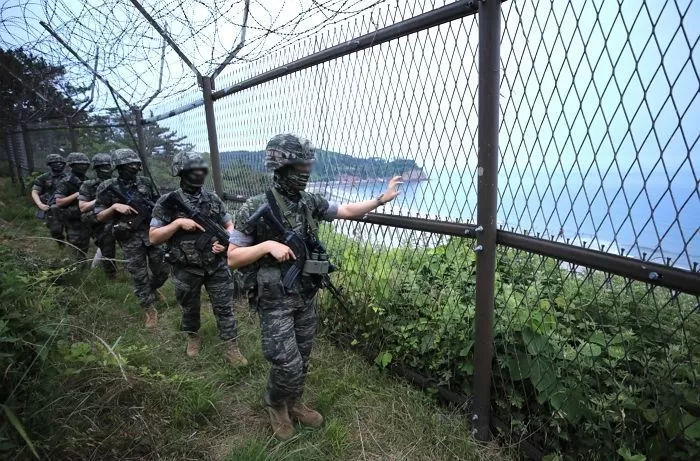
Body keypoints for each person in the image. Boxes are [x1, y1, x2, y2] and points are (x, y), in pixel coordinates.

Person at [227, 134, 402, 439]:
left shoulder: (309, 202)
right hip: (274, 299)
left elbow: (345, 210)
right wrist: (267, 245)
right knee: (286, 361)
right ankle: (275, 404)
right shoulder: (255, 206)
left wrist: (379, 199)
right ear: (281, 167)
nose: (306, 170)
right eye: (300, 165)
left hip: (304, 295)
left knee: (303, 357)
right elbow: (233, 257)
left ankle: (294, 402)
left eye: (308, 164)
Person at [149, 152, 248, 366]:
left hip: (215, 264)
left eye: (202, 170)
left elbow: (229, 224)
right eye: (194, 170)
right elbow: (154, 236)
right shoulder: (168, 202)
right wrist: (176, 224)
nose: (199, 174)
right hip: (186, 266)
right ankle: (193, 336)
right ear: (182, 173)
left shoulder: (212, 199)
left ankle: (231, 345)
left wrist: (227, 240)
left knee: (224, 307)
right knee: (189, 307)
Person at [94, 148, 169, 329]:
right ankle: (149, 309)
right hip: (129, 236)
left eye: (136, 164)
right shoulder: (107, 187)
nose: (135, 167)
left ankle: (151, 289)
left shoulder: (145, 183)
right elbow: (98, 216)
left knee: (162, 271)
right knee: (138, 274)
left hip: (151, 232)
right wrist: (114, 208)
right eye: (130, 164)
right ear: (119, 166)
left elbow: (158, 205)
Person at [79, 153, 117, 279]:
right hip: (98, 219)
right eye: (102, 167)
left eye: (107, 166)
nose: (105, 169)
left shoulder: (118, 182)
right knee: (106, 243)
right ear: (95, 168)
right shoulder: (88, 185)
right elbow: (83, 207)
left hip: (118, 216)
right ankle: (109, 276)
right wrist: (102, 199)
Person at [54, 152, 92, 260]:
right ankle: (76, 270)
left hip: (85, 216)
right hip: (72, 218)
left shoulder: (87, 179)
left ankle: (82, 265)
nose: (83, 166)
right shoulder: (66, 181)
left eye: (85, 164)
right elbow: (59, 202)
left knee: (85, 244)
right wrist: (77, 194)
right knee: (76, 246)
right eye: (80, 164)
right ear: (72, 165)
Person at [31, 153, 68, 249]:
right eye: (55, 163)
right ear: (50, 164)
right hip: (51, 208)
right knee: (55, 230)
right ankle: (61, 246)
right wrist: (40, 204)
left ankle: (73, 247)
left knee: (72, 230)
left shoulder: (69, 177)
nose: (58, 165)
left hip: (67, 206)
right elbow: (35, 192)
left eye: (60, 163)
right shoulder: (44, 177)